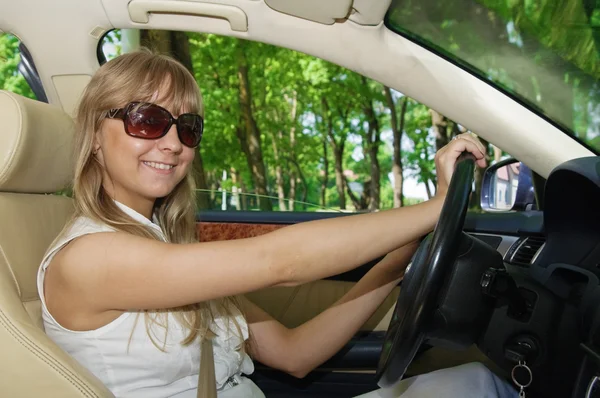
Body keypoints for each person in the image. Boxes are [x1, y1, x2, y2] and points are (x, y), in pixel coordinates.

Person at [36, 50, 516, 398]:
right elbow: (280, 261)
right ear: (95, 138)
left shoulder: (166, 249)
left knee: (472, 381)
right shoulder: (89, 257)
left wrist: (400, 257)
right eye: (146, 119)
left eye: (187, 127)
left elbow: (294, 354)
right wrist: (434, 208)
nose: (172, 142)